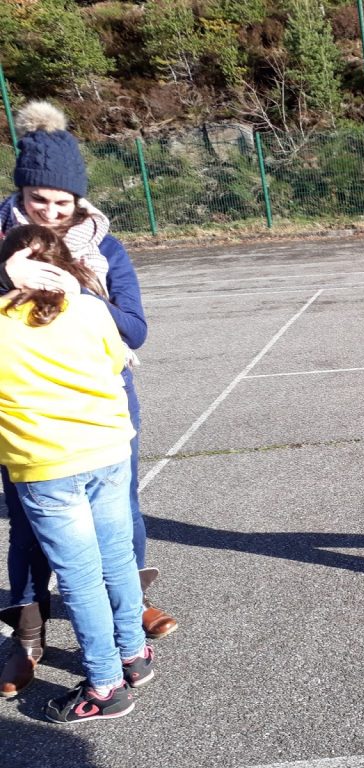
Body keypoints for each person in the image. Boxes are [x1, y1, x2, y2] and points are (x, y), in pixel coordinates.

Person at [0, 100, 176, 700]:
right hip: (27, 422)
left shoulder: (106, 249)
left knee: (118, 517)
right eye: (38, 200)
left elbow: (135, 331)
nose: (50, 213)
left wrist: (76, 294)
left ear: (79, 201)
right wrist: (8, 279)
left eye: (63, 202)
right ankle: (28, 636)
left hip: (97, 414)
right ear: (20, 191)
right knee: (26, 529)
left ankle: (127, 625)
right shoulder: (2, 244)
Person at [0, 225, 154, 722]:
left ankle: (105, 685)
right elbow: (114, 362)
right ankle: (133, 654)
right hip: (107, 450)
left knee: (81, 580)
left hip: (46, 464)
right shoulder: (89, 309)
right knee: (116, 560)